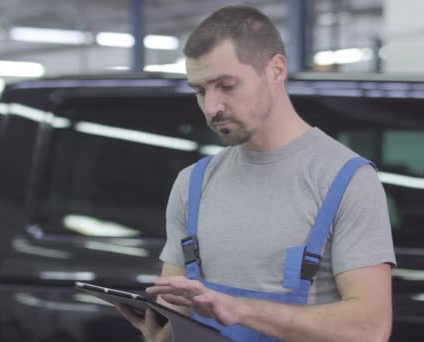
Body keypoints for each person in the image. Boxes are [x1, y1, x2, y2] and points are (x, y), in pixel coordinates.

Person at [118, 5, 396, 342]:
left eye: (226, 85)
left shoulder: (346, 180)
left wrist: (240, 310)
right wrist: (162, 334)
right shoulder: (193, 184)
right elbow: (176, 307)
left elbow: (370, 330)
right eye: (200, 90)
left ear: (276, 70)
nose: (211, 107)